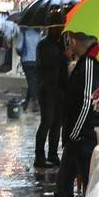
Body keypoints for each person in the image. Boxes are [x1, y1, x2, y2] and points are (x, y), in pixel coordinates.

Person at [53, 31, 99, 197]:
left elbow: (88, 101)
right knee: (63, 182)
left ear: (74, 41)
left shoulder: (89, 63)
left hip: (84, 136)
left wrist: (74, 132)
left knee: (88, 185)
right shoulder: (91, 60)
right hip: (78, 136)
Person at [34, 26, 68, 169]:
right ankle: (39, 156)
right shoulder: (43, 45)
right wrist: (61, 55)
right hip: (47, 89)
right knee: (47, 121)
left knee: (57, 124)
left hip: (60, 90)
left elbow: (63, 68)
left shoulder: (60, 44)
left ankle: (53, 154)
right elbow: (45, 64)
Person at [17, 25, 42, 111]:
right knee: (32, 81)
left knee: (31, 81)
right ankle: (26, 102)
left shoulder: (23, 33)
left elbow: (19, 47)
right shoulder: (38, 33)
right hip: (37, 61)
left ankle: (35, 102)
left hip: (26, 60)